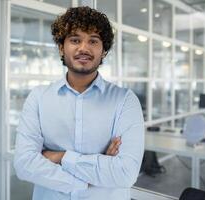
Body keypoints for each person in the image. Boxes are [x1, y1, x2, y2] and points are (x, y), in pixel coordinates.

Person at [14, 6, 144, 200]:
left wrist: (59, 157)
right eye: (75, 40)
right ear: (61, 47)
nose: (84, 48)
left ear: (104, 51)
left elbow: (125, 173)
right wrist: (91, 176)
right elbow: (24, 164)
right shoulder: (39, 98)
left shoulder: (125, 100)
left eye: (93, 41)